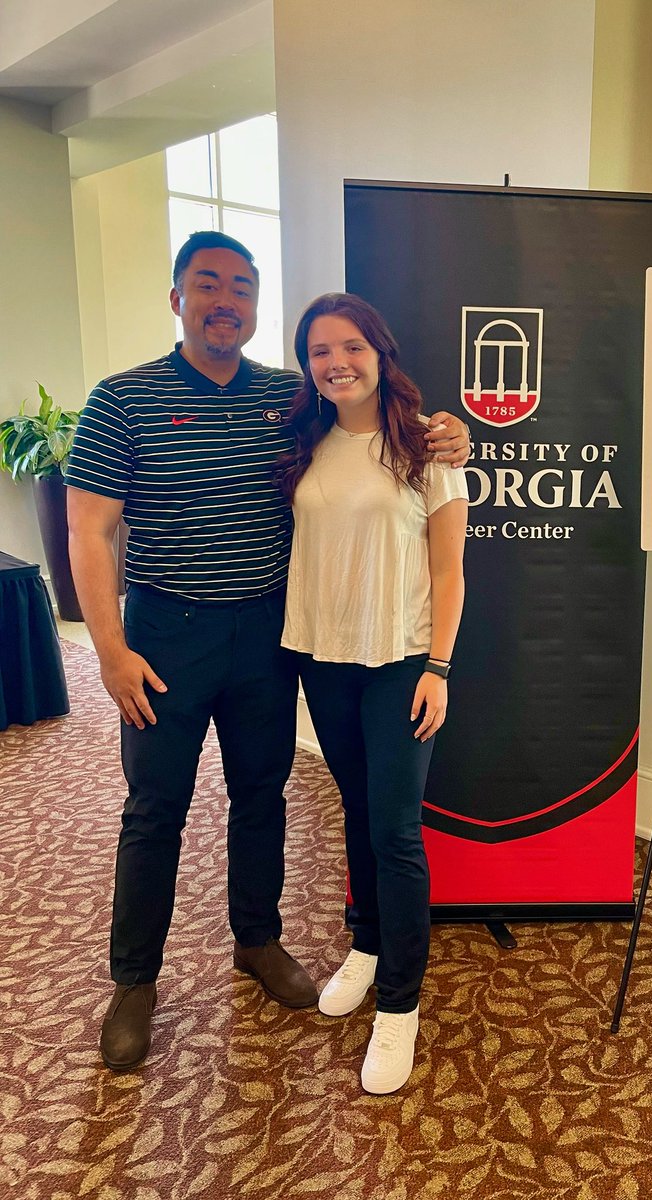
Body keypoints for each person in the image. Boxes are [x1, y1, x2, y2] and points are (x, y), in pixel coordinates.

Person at [65, 232, 470, 1074]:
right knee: (154, 810)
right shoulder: (122, 399)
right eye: (207, 284)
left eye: (242, 288)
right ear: (176, 296)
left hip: (269, 635)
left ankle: (257, 939)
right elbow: (90, 530)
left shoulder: (290, 399)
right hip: (165, 635)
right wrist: (108, 649)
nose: (225, 300)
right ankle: (134, 982)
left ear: (256, 306)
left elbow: (385, 432)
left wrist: (449, 433)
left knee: (262, 793)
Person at [275, 293, 468, 1094]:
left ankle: (400, 1007)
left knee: (394, 831)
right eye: (319, 351)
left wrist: (439, 668)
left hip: (400, 660)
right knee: (355, 810)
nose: (336, 363)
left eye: (350, 346)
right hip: (325, 657)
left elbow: (450, 570)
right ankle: (366, 942)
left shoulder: (429, 447)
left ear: (381, 353)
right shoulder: (304, 437)